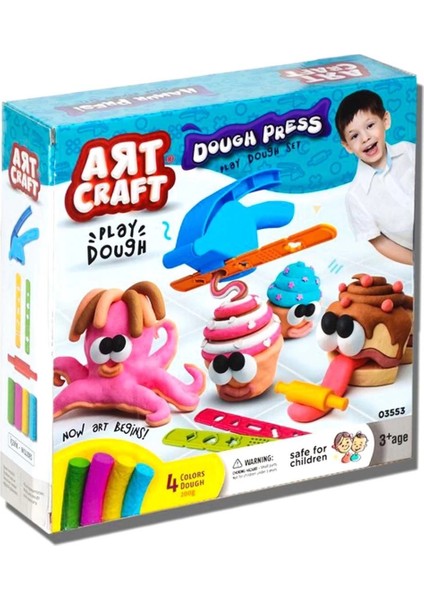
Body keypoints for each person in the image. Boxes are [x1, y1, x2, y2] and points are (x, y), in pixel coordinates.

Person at [335, 90, 415, 265]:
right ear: (347, 146)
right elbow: (379, 241)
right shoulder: (356, 196)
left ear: (385, 121)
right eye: (354, 136)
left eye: (370, 125)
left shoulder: (409, 151)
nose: (365, 138)